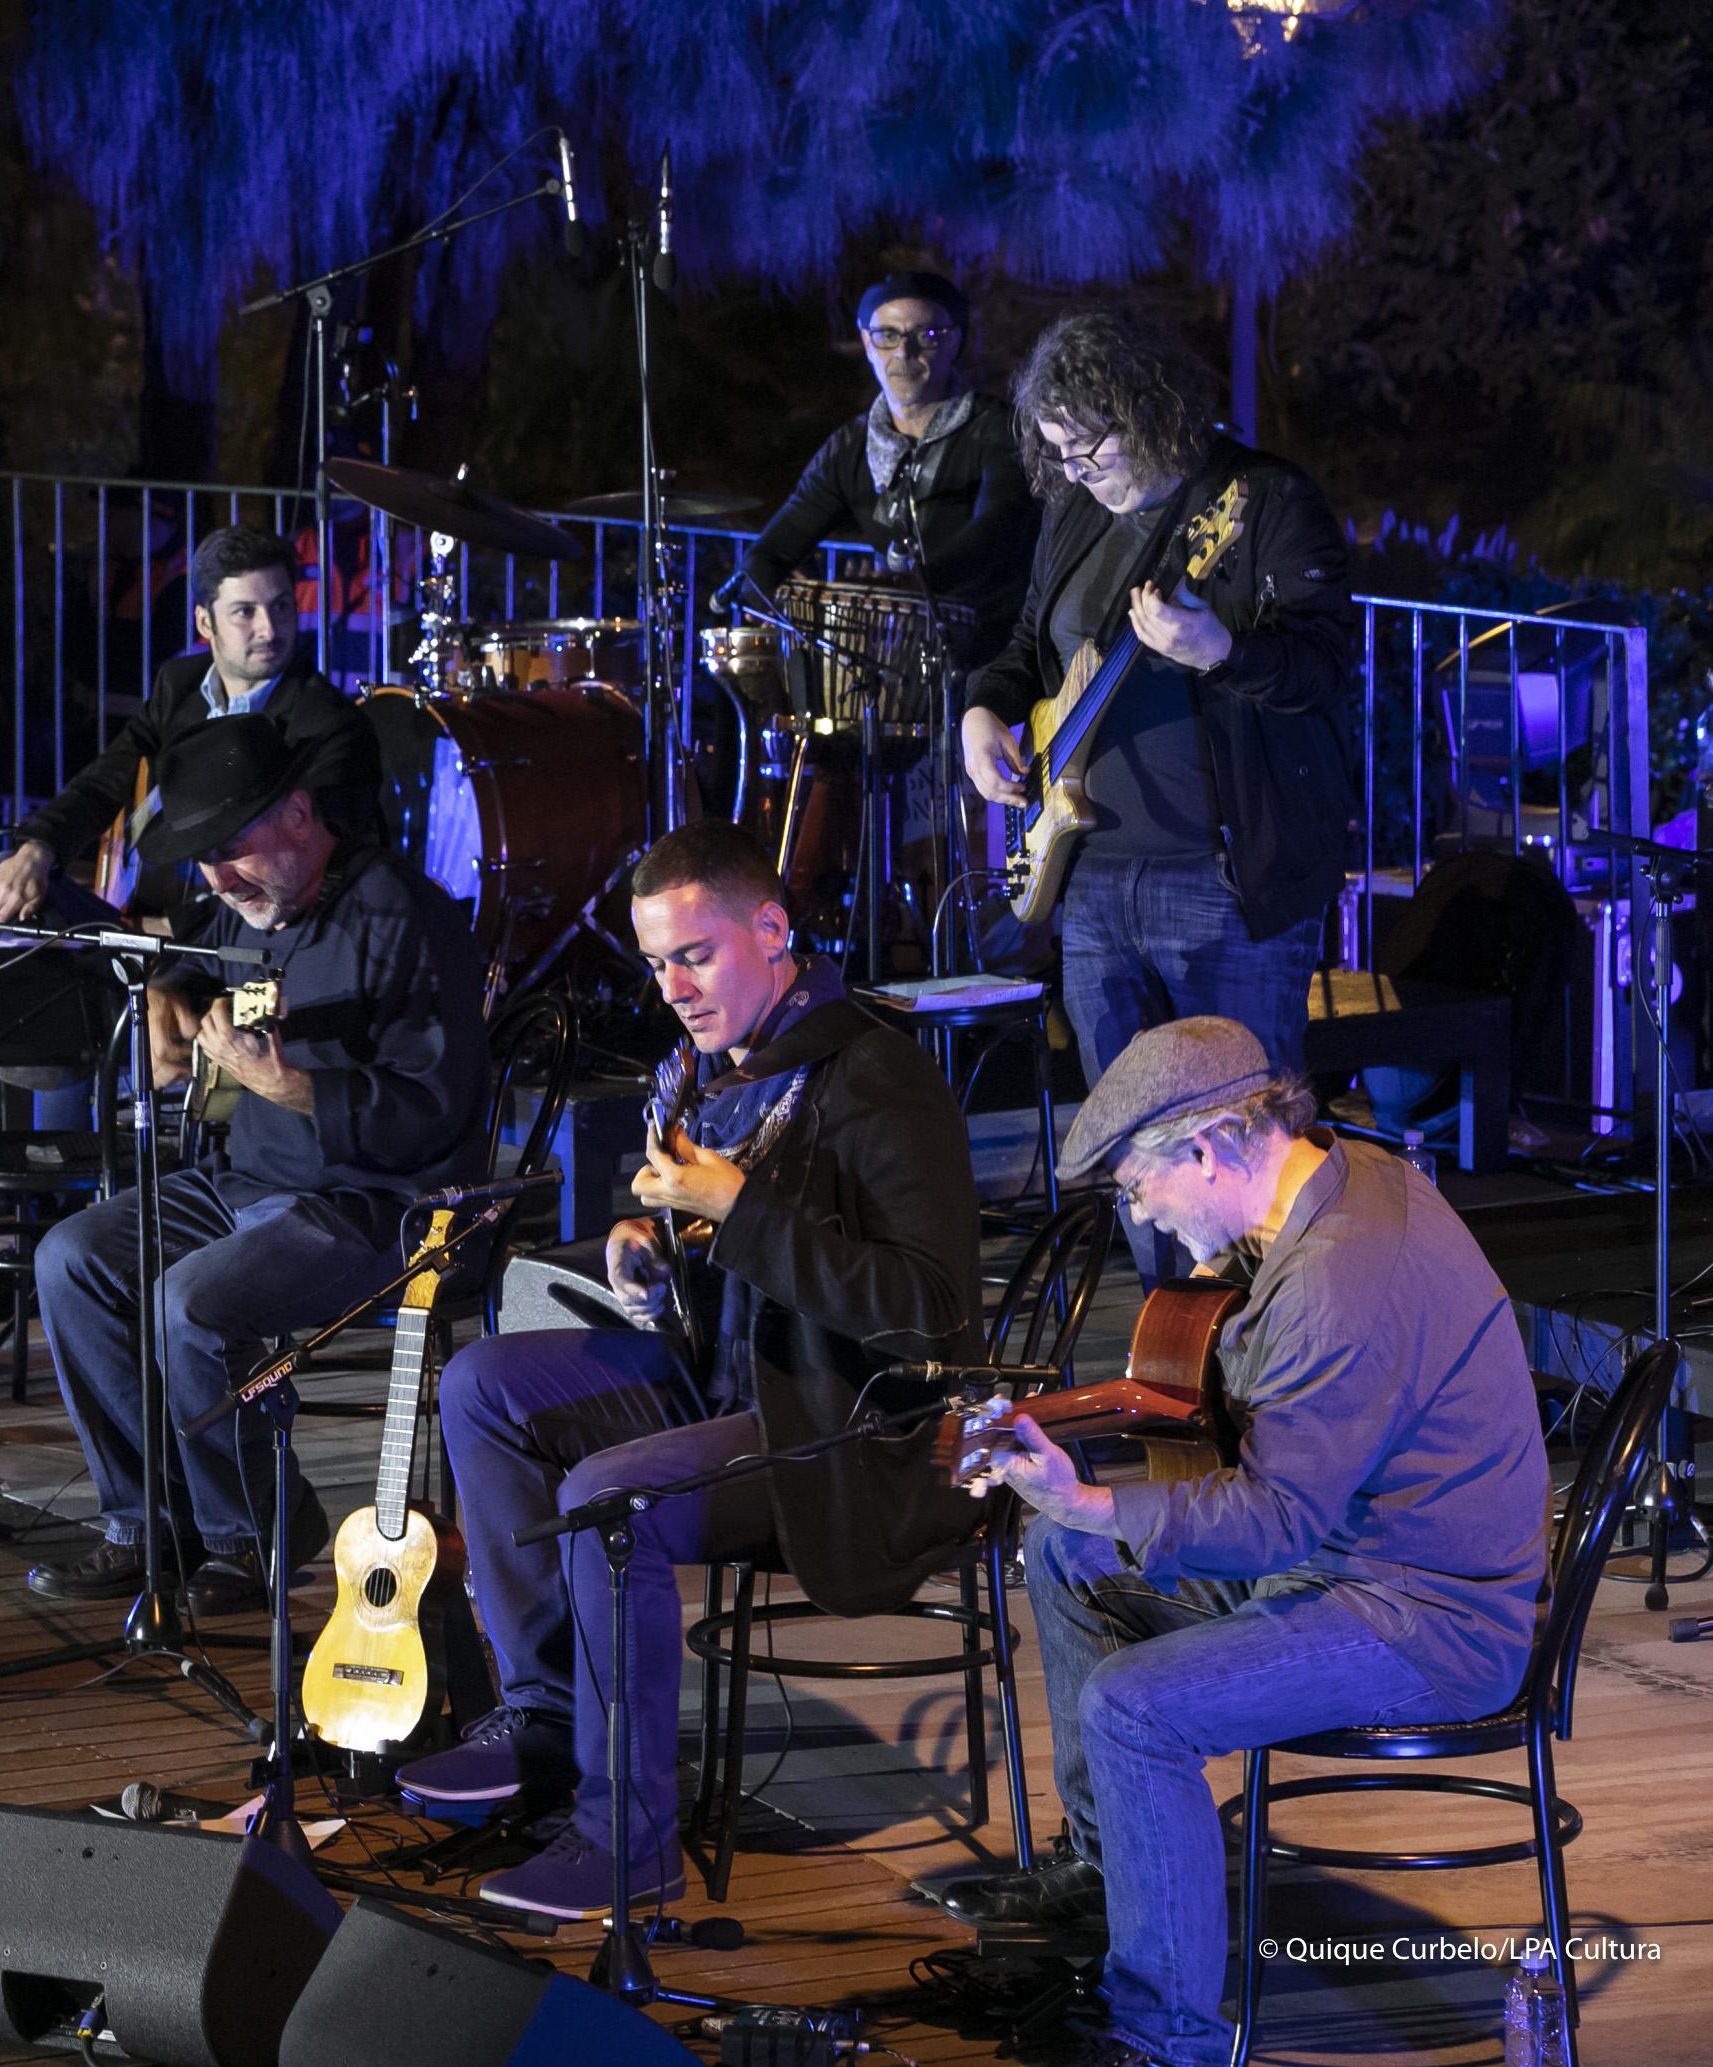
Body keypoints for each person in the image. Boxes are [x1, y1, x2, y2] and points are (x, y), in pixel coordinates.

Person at [396, 820, 983, 1919]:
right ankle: (549, 1720)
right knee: (484, 1386)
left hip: (845, 1421)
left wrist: (738, 1212)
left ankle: (629, 1841)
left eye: (695, 955)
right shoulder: (715, 1071)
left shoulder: (875, 1075)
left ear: (772, 929)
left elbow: (931, 1316)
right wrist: (652, 1246)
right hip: (730, 1380)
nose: (672, 986)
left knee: (607, 1495)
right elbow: (725, 1251)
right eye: (656, 962)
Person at [950, 1017, 1548, 2067]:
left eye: (1139, 1184)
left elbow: (1277, 1517)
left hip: (1426, 1618)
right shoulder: (1342, 1172)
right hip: (1347, 1564)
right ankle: (1115, 1873)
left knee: (1133, 1707)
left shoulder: (1339, 1274)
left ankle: (1160, 2031)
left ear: (1214, 1142)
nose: (1138, 1212)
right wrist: (1087, 1513)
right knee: (1065, 1559)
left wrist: (1092, 1500)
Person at [24, 712, 488, 1616]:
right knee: (70, 1258)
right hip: (253, 1179)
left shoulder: (406, 918)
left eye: (232, 849)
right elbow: (197, 967)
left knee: (191, 1301)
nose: (217, 878)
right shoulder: (255, 898)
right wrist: (169, 1000)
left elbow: (437, 1116)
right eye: (202, 859)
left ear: (302, 814)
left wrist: (298, 1089)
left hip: (378, 1203)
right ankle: (145, 1522)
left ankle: (249, 1535)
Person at [959, 311, 1357, 1280]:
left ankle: (1275, 1349)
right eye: (1053, 448)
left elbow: (1325, 667)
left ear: (1150, 412)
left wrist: (1220, 650)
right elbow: (1025, 648)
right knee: (1137, 1151)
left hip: (1222, 879)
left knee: (1242, 1140)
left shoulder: (1262, 502)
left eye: (1087, 443)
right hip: (1090, 876)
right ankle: (1172, 1347)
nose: (1074, 466)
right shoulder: (1076, 508)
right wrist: (982, 711)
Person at [0, 524, 379, 939]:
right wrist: (39, 849)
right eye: (245, 612)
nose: (269, 630)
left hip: (247, 927)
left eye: (281, 607)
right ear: (205, 622)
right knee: (0, 878)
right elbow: (106, 779)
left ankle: (121, 971)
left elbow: (306, 875)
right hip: (151, 909)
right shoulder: (179, 686)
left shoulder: (328, 724)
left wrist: (167, 928)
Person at [730, 271, 1039, 665]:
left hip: (994, 651)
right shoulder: (849, 447)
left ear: (955, 340)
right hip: (894, 655)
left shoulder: (998, 429)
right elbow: (771, 551)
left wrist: (906, 583)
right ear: (866, 342)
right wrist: (777, 613)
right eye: (887, 335)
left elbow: (998, 528)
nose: (903, 353)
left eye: (926, 335)